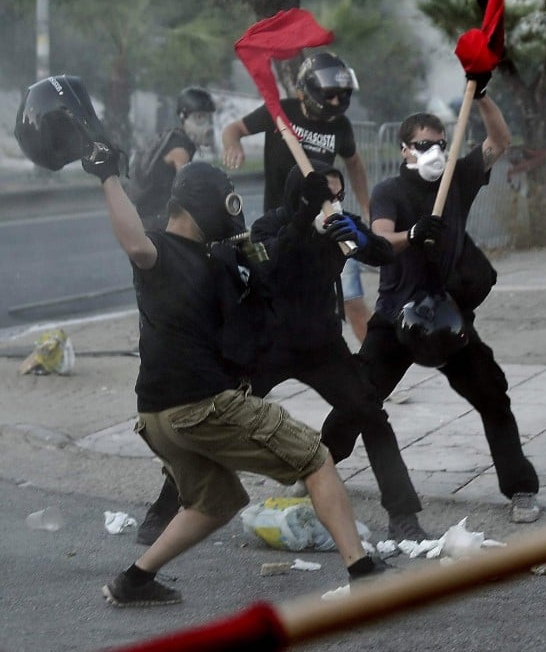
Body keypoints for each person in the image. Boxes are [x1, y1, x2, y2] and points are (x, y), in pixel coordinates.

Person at [76, 142, 386, 605]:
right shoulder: (162, 252)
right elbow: (135, 241)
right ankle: (363, 574)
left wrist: (296, 222)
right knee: (316, 460)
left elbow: (273, 278)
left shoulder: (218, 257)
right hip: (204, 405)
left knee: (215, 503)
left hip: (157, 418)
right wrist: (108, 176)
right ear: (203, 202)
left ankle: (134, 581)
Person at [359, 79, 542, 524]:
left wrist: (479, 95)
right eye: (423, 145)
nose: (433, 151)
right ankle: (326, 475)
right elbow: (380, 239)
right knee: (357, 405)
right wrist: (412, 235)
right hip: (395, 317)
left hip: (447, 315)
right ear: (404, 149)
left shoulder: (458, 177)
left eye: (439, 143)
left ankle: (521, 490)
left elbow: (499, 141)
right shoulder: (390, 190)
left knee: (493, 397)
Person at [249, 161, 434, 541]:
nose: (330, 204)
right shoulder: (269, 225)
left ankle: (403, 516)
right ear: (299, 197)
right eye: (321, 196)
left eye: (336, 196)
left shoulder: (341, 222)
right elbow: (274, 265)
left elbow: (383, 252)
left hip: (322, 344)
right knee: (216, 407)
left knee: (369, 410)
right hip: (270, 343)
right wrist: (303, 218)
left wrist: (362, 239)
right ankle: (170, 507)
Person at [220, 50, 373, 343]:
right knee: (259, 297)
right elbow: (233, 129)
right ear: (310, 91)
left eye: (342, 95)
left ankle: (373, 371)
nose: (337, 102)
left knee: (352, 298)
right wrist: (233, 145)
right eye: (330, 95)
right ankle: (250, 373)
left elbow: (354, 163)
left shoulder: (340, 126)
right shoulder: (280, 111)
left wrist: (366, 207)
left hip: (327, 219)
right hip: (278, 226)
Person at [127, 86, 215, 230]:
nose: (206, 124)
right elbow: (188, 185)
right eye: (199, 117)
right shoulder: (180, 148)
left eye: (207, 117)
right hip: (156, 218)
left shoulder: (177, 137)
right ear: (183, 117)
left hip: (153, 213)